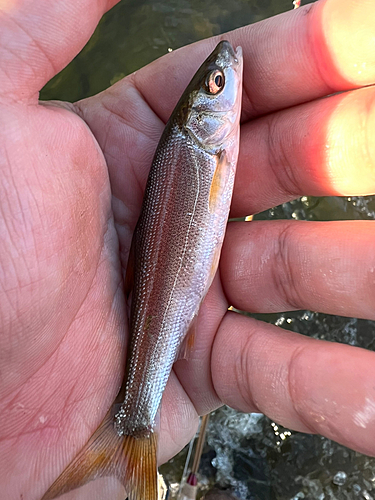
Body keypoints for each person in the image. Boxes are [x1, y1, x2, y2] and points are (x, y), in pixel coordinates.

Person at [1, 0, 375, 498]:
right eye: (216, 85)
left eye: (214, 82)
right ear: (199, 116)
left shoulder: (206, 143)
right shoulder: (200, 145)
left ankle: (133, 430)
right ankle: (133, 425)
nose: (228, 67)